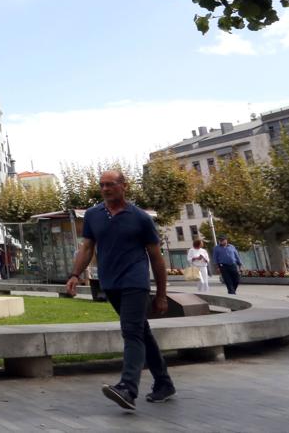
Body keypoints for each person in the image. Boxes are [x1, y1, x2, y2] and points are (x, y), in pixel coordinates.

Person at [65, 170, 173, 411]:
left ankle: (128, 388)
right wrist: (75, 274)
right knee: (141, 332)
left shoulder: (141, 218)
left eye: (110, 184)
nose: (105, 189)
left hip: (135, 282)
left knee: (131, 332)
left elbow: (156, 258)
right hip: (110, 283)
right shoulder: (93, 215)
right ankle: (164, 383)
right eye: (102, 185)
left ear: (124, 186)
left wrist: (161, 295)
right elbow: (87, 248)